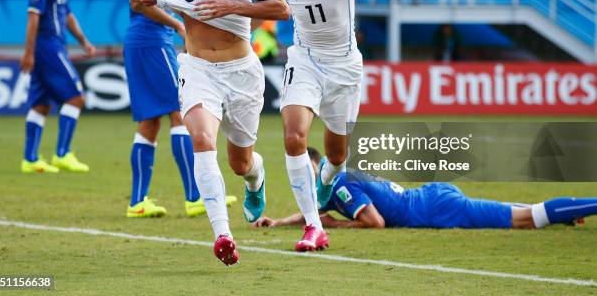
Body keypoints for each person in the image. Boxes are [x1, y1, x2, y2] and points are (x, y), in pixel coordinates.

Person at [130, 0, 290, 265]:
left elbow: (281, 9)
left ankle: (255, 179)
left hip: (241, 73)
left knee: (240, 162)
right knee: (201, 139)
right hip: (197, 68)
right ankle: (223, 234)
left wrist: (231, 6)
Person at [269, 0, 416, 252]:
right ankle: (313, 226)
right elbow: (263, 2)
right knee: (294, 136)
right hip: (304, 62)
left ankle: (326, 180)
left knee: (336, 156)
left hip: (344, 70)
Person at [125, 0, 235, 219]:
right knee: (181, 111)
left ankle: (137, 201)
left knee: (149, 122)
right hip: (152, 39)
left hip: (139, 40)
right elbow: (144, 0)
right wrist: (180, 25)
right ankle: (195, 196)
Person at [254, 147, 597, 230]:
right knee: (513, 211)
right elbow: (314, 210)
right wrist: (280, 223)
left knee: (527, 219)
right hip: (432, 195)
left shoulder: (341, 185)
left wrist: (337, 225)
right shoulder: (336, 182)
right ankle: (570, 214)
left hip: (434, 209)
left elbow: (376, 222)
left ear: (317, 165)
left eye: (307, 170)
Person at [20, 0, 95, 174]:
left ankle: (30, 160)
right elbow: (33, 17)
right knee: (76, 97)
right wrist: (29, 52)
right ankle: (62, 153)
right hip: (48, 47)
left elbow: (68, 15)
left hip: (53, 46)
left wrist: (84, 40)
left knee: (40, 104)